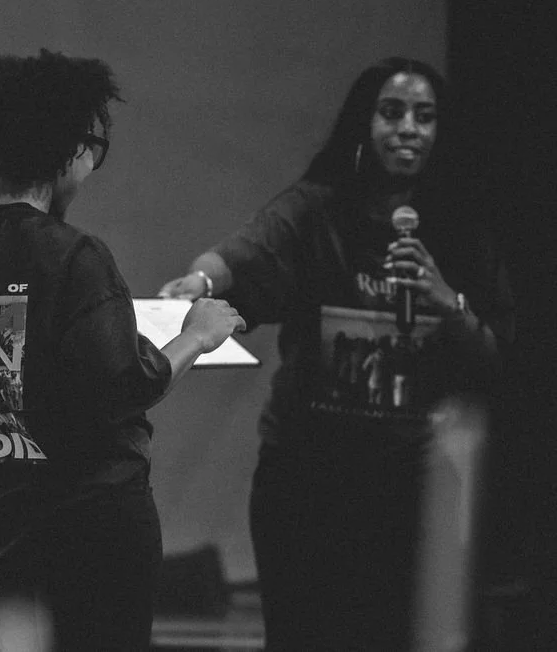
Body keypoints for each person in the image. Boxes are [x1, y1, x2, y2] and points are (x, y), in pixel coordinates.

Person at [0, 48, 245, 651]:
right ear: (71, 149)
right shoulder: (74, 256)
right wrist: (198, 333)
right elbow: (126, 386)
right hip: (93, 540)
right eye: (94, 148)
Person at [159, 57, 514, 651]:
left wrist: (442, 297)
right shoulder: (317, 210)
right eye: (392, 112)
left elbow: (495, 359)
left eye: (424, 117)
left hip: (411, 491)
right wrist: (199, 281)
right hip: (310, 483)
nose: (408, 128)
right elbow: (243, 252)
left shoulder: (459, 228)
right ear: (363, 123)